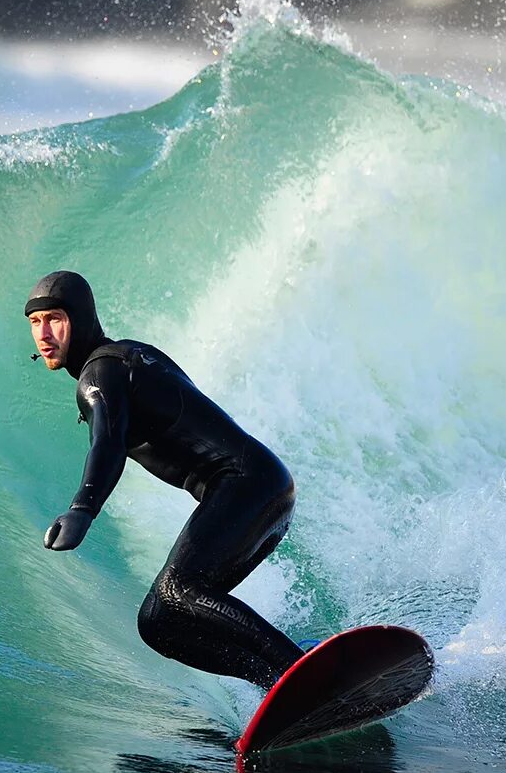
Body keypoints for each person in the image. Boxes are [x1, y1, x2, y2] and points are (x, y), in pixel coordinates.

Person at [26, 270, 305, 689]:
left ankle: (298, 671)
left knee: (179, 589)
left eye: (55, 319)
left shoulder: (98, 374)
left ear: (80, 319)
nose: (44, 334)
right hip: (260, 485)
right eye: (35, 322)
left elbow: (107, 442)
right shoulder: (131, 355)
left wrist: (83, 507)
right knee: (158, 621)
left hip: (245, 482)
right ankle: (276, 680)